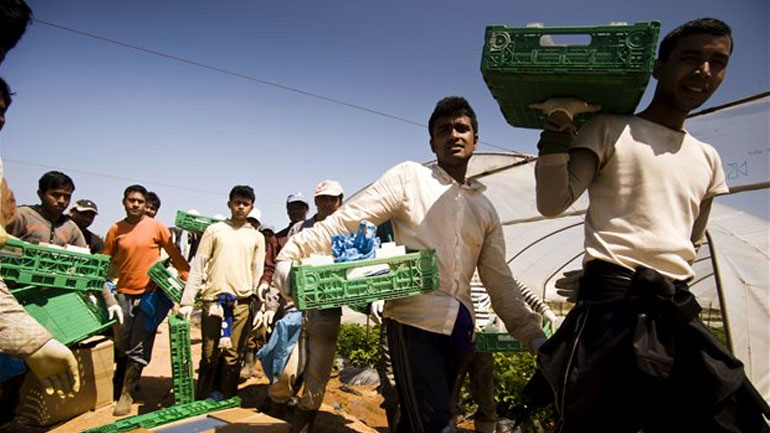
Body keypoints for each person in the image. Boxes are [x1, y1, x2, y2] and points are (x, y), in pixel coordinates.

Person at [533, 18, 769, 432]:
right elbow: (554, 202)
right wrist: (556, 131)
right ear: (659, 68)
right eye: (691, 58)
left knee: (732, 416)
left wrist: (656, 267)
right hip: (611, 314)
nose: (704, 72)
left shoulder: (707, 159)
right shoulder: (609, 129)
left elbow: (690, 241)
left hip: (672, 311)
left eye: (718, 62)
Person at [274, 97, 547, 433]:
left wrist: (532, 336)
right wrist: (292, 252)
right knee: (436, 424)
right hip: (415, 322)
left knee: (423, 419)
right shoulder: (410, 178)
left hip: (461, 332)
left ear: (476, 138)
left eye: (462, 128)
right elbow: (348, 220)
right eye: (443, 130)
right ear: (432, 142)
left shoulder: (485, 209)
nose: (454, 135)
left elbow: (499, 280)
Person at [262, 180, 345, 431]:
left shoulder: (347, 227)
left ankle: (303, 422)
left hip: (328, 309)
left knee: (317, 374)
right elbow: (283, 265)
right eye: (322, 198)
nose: (327, 203)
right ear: (316, 202)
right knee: (286, 365)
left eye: (332, 199)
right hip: (295, 308)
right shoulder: (299, 228)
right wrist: (271, 301)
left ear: (340, 201)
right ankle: (276, 412)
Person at [105, 184, 190, 416]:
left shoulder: (157, 227)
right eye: (131, 200)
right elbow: (105, 262)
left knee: (139, 344)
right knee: (122, 342)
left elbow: (176, 256)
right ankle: (118, 382)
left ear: (145, 205)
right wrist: (105, 291)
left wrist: (188, 285)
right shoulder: (115, 229)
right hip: (122, 293)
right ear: (124, 202)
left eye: (140, 202)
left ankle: (127, 392)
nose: (135, 204)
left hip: (150, 294)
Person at [178, 185, 265, 400]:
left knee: (232, 355)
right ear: (230, 204)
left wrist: (260, 307)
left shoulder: (256, 237)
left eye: (246, 204)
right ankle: (202, 399)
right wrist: (187, 301)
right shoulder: (215, 230)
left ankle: (227, 401)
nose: (241, 207)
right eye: (238, 202)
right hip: (213, 302)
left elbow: (258, 272)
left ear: (251, 207)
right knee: (209, 354)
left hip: (241, 304)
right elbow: (199, 265)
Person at [8, 171, 87, 247]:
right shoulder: (22, 216)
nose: (61, 201)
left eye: (67, 196)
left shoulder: (71, 228)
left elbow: (83, 255)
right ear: (41, 194)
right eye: (56, 195)